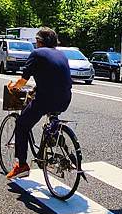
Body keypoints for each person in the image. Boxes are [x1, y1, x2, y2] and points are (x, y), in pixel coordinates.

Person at [5, 27, 72, 180]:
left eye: (36, 41)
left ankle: (21, 165)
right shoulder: (62, 54)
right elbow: (53, 78)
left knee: (22, 125)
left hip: (46, 99)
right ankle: (51, 140)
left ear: (40, 42)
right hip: (66, 98)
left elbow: (23, 80)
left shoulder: (37, 54)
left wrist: (13, 87)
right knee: (51, 116)